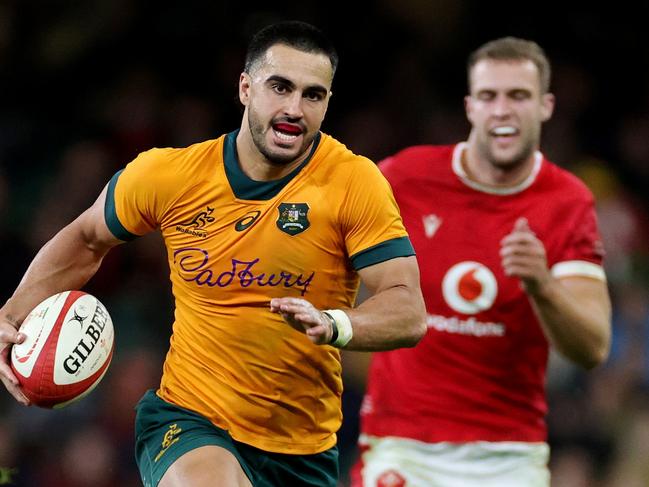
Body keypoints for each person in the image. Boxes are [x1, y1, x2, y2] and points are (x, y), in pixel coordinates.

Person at [0, 21, 427, 487]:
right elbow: (86, 238)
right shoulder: (170, 175)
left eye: (313, 95)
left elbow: (407, 310)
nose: (293, 109)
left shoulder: (353, 183)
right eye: (280, 87)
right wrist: (10, 314)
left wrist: (335, 324)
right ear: (245, 87)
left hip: (302, 449)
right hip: (189, 419)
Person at [352, 37, 612, 487]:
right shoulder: (405, 176)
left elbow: (591, 348)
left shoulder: (568, 201)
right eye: (489, 96)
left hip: (508, 455)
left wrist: (542, 284)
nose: (502, 110)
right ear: (471, 107)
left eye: (519, 96)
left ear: (546, 106)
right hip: (401, 444)